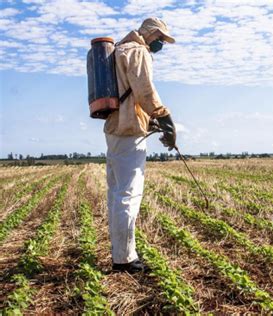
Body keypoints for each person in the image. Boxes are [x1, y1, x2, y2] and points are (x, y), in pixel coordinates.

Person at [104, 17, 177, 273]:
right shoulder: (138, 52)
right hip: (128, 131)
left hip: (115, 129)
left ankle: (121, 252)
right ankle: (124, 260)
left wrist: (150, 120)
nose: (161, 45)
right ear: (152, 34)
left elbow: (130, 95)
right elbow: (145, 92)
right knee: (128, 195)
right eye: (161, 40)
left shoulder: (119, 51)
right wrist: (165, 118)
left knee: (116, 195)